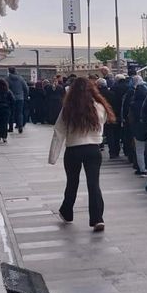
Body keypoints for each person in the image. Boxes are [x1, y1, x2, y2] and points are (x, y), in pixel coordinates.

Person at [48, 77, 115, 232]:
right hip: (93, 149)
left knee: (72, 182)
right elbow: (102, 125)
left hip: (73, 149)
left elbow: (59, 131)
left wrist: (53, 157)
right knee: (94, 184)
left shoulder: (68, 108)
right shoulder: (100, 107)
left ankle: (67, 212)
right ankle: (97, 218)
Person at [128, 76, 147, 176]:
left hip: (137, 128)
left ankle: (142, 169)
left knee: (139, 150)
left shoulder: (133, 103)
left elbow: (130, 117)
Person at [6, 67, 29, 133]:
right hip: (20, 98)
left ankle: (10, 128)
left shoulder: (7, 79)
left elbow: (6, 88)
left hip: (11, 99)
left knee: (11, 113)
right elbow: (26, 88)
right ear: (15, 71)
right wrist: (25, 96)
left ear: (9, 71)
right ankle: (20, 126)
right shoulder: (20, 79)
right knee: (19, 113)